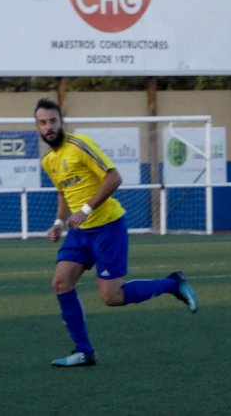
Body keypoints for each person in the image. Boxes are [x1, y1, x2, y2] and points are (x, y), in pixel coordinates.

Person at [35, 98, 198, 367]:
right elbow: (64, 193)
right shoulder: (49, 161)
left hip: (107, 227)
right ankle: (84, 351)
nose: (48, 127)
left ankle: (173, 284)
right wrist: (59, 222)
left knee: (112, 297)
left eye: (53, 121)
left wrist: (85, 210)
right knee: (61, 283)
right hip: (80, 232)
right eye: (43, 123)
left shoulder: (79, 144)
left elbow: (114, 178)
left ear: (61, 122)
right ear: (37, 128)